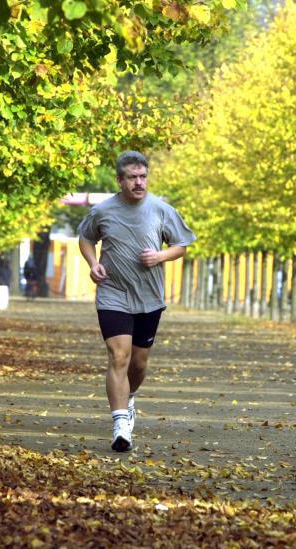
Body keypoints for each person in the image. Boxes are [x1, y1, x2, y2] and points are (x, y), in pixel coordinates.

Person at [77, 151, 196, 452]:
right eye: (132, 177)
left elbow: (181, 246)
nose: (139, 182)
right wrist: (93, 264)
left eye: (142, 176)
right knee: (119, 356)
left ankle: (128, 398)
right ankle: (120, 425)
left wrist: (160, 256)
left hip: (149, 297)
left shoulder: (160, 209)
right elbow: (85, 238)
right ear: (120, 180)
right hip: (112, 293)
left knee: (138, 363)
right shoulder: (103, 211)